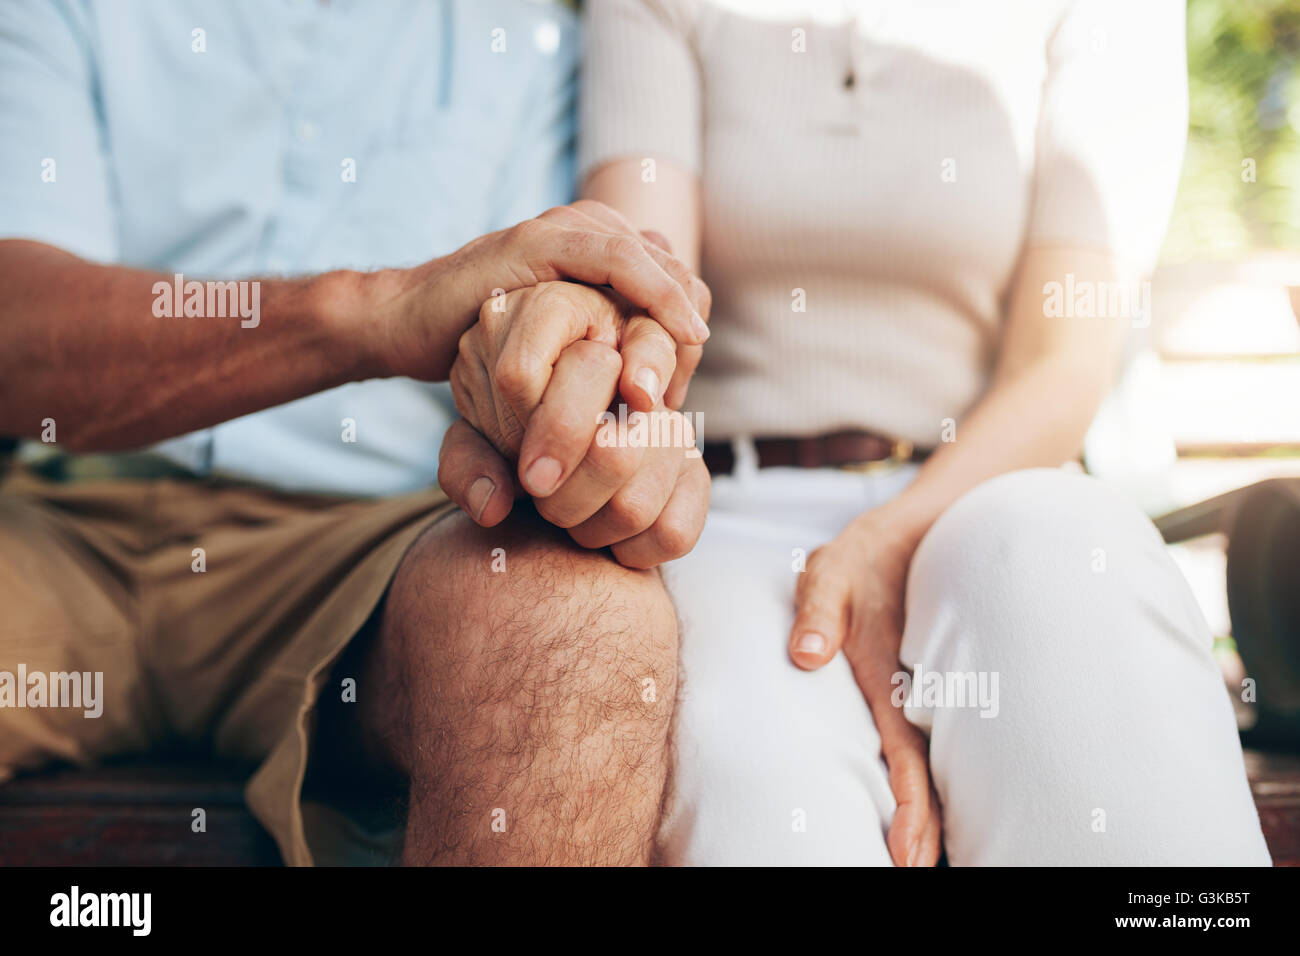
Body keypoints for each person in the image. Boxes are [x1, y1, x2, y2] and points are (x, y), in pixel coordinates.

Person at [0, 0, 708, 866]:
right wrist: (374, 312)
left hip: (373, 545)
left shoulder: (532, 37)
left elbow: (553, 305)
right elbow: (13, 332)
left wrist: (571, 380)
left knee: (579, 627)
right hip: (61, 527)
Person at [578, 0, 1272, 864]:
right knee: (753, 773)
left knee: (1064, 578)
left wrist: (888, 540)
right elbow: (640, 282)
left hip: (987, 486)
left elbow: (1063, 361)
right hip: (729, 514)